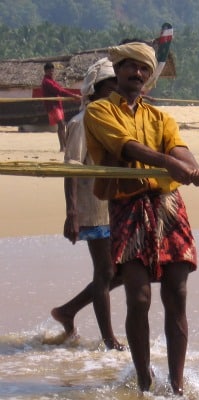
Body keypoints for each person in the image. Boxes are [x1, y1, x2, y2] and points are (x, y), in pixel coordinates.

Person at [84, 42, 199, 394]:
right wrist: (169, 164)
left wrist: (193, 168)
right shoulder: (99, 112)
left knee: (178, 292)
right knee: (138, 297)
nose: (137, 74)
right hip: (128, 205)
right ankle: (143, 381)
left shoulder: (160, 118)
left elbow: (178, 149)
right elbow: (125, 146)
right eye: (130, 67)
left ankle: (177, 386)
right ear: (119, 70)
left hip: (168, 204)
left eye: (144, 69)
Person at [51, 58, 125, 351]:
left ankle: (68, 310)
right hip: (92, 207)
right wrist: (72, 213)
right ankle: (109, 340)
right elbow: (71, 168)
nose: (116, 92)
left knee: (120, 272)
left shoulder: (112, 119)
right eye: (111, 87)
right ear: (95, 90)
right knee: (106, 272)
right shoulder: (81, 122)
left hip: (115, 204)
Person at [41, 62, 81, 152]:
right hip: (53, 106)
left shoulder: (52, 81)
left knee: (61, 125)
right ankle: (63, 147)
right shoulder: (47, 82)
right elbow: (59, 90)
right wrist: (73, 96)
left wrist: (72, 95)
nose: (51, 73)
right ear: (45, 71)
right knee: (61, 124)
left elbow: (61, 89)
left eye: (52, 71)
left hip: (57, 105)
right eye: (49, 71)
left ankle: (64, 146)